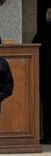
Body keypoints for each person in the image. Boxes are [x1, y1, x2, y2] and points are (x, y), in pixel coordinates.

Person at [33, 8, 51, 144]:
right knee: (46, 106)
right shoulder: (41, 34)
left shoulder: (41, 34)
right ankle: (48, 135)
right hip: (45, 76)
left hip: (45, 75)